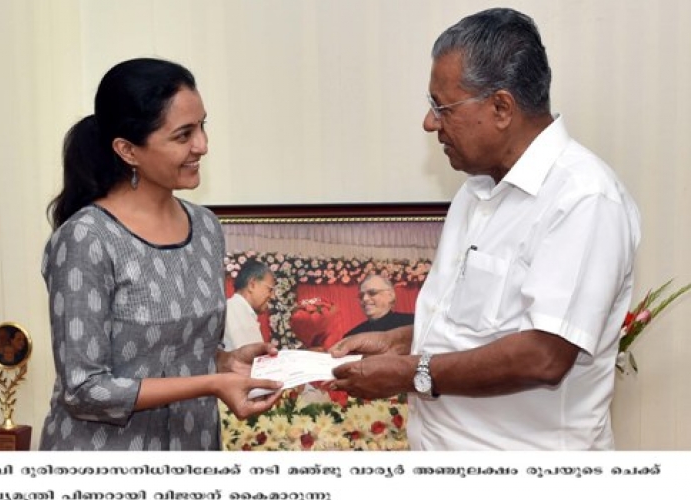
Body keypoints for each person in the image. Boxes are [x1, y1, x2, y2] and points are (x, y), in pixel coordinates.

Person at [330, 8, 641, 450]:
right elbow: (475, 330)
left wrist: (412, 373)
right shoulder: (475, 192)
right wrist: (402, 342)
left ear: (500, 107)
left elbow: (544, 355)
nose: (429, 122)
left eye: (442, 107)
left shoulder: (584, 197)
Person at [39, 57, 282, 451]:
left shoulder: (205, 227)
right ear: (127, 150)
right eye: (183, 135)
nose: (202, 145)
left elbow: (165, 352)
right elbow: (84, 389)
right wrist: (211, 383)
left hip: (193, 446)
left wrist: (223, 362)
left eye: (202, 126)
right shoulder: (87, 239)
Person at [223, 260, 276, 351]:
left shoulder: (239, 309)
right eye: (270, 290)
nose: (273, 296)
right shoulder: (236, 310)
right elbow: (252, 361)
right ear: (252, 285)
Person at [344, 274, 414, 337]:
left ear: (390, 295)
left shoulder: (412, 323)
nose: (365, 299)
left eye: (372, 293)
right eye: (361, 296)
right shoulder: (352, 336)